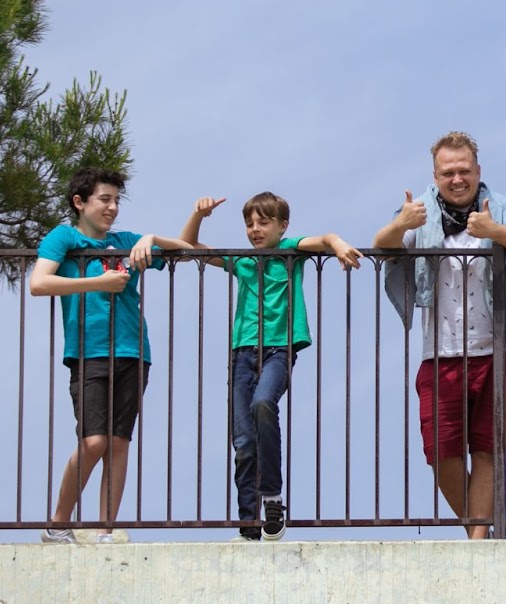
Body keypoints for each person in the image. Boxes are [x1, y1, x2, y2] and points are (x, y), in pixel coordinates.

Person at [375, 132, 506, 539]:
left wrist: (493, 231)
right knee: (441, 451)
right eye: (448, 172)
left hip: (499, 348)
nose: (457, 179)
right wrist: (399, 224)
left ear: (478, 171)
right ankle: (481, 531)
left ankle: (476, 542)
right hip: (441, 351)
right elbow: (383, 246)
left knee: (487, 448)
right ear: (435, 176)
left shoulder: (498, 210)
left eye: (464, 170)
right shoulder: (420, 214)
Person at [180, 193, 361, 541]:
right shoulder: (243, 261)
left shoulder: (291, 252)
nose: (255, 229)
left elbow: (323, 239)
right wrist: (198, 215)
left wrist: (337, 244)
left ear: (282, 226)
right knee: (244, 441)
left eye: (264, 222)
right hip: (242, 354)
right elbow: (188, 247)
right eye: (249, 223)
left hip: (279, 349)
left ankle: (273, 497)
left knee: (264, 402)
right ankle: (248, 525)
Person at [30, 166, 196, 544]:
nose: (112, 207)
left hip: (134, 352)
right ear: (80, 202)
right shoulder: (64, 237)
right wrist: (98, 282)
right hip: (89, 353)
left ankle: (105, 530)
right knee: (93, 441)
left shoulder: (127, 240)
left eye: (116, 200)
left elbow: (186, 252)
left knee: (119, 442)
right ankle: (58, 524)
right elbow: (39, 284)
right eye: (104, 199)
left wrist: (151, 238)